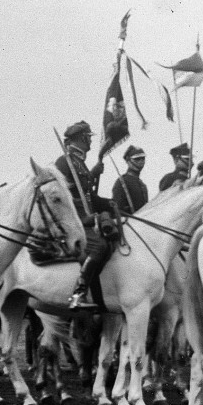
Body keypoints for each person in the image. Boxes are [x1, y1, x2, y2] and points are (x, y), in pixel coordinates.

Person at [55, 121, 113, 310]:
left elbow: (87, 194)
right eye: (88, 137)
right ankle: (78, 294)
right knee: (99, 246)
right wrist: (83, 216)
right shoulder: (64, 162)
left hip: (86, 217)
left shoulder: (79, 162)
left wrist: (109, 204)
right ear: (81, 138)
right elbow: (65, 196)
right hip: (73, 219)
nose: (90, 141)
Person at [112, 145, 149, 214]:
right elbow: (117, 210)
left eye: (143, 158)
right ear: (128, 161)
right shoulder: (122, 182)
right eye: (137, 159)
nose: (141, 161)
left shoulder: (142, 184)